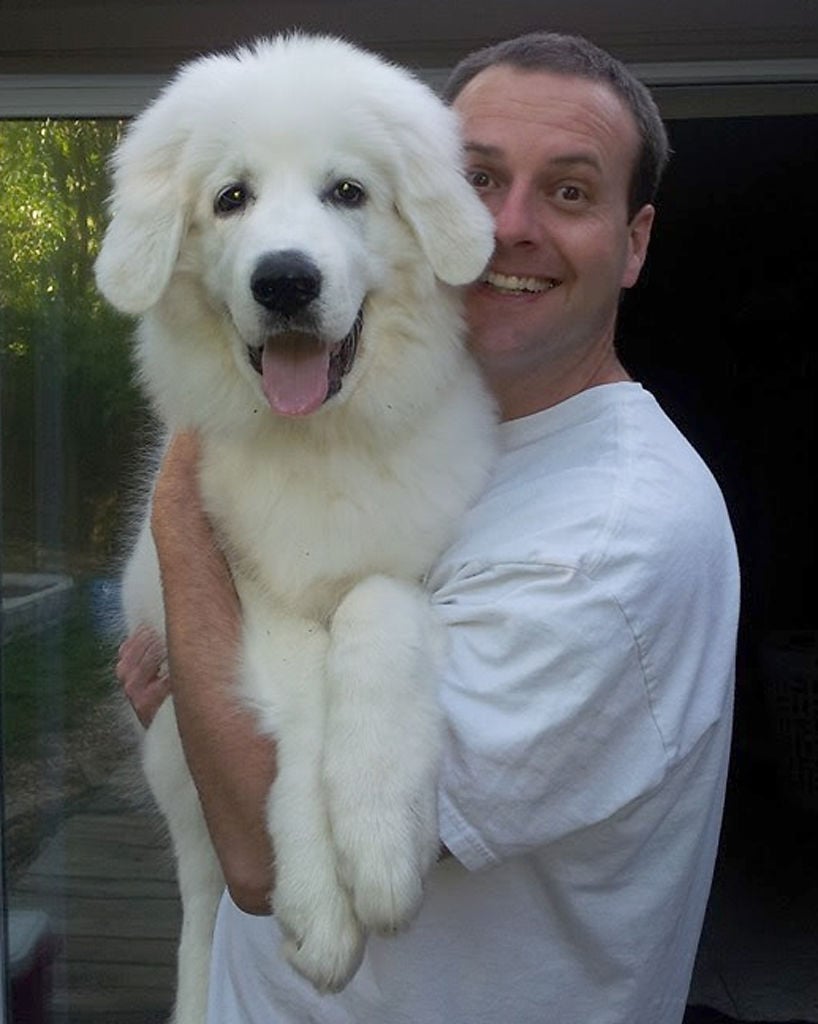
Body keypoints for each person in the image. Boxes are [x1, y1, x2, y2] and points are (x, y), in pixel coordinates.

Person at [117, 30, 740, 1024]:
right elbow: (266, 626)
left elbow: (260, 853)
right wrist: (201, 677)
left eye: (569, 192)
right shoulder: (409, 425)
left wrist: (184, 522)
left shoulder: (612, 536)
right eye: (478, 178)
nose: (503, 228)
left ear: (634, 241)